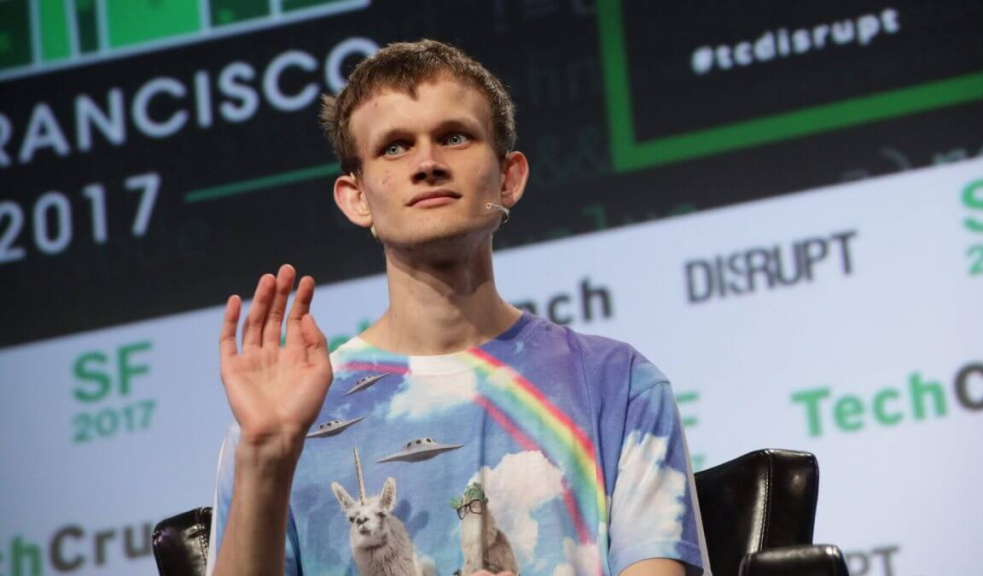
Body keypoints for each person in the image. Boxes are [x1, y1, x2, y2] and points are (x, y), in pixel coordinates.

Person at [207, 39, 708, 576]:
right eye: (394, 147)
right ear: (357, 197)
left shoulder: (618, 385)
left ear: (508, 178)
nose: (427, 164)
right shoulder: (285, 418)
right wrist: (265, 455)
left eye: (454, 137)